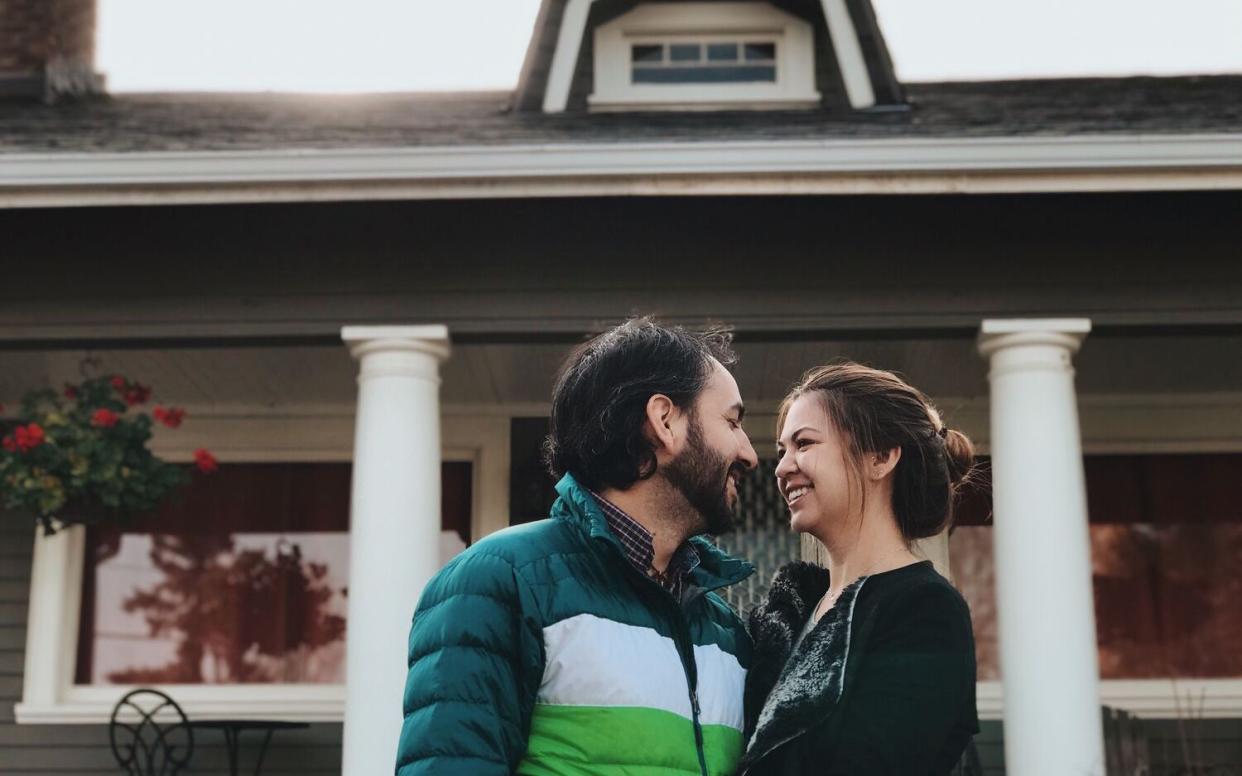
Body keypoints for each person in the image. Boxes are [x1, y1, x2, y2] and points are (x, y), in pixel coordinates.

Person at [395, 317, 759, 776]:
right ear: (664, 421)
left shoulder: (727, 632)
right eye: (733, 421)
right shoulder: (500, 581)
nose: (749, 452)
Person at [739, 362, 979, 776]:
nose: (781, 467)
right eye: (782, 451)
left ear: (881, 457)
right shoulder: (788, 613)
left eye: (804, 444)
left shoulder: (925, 610)